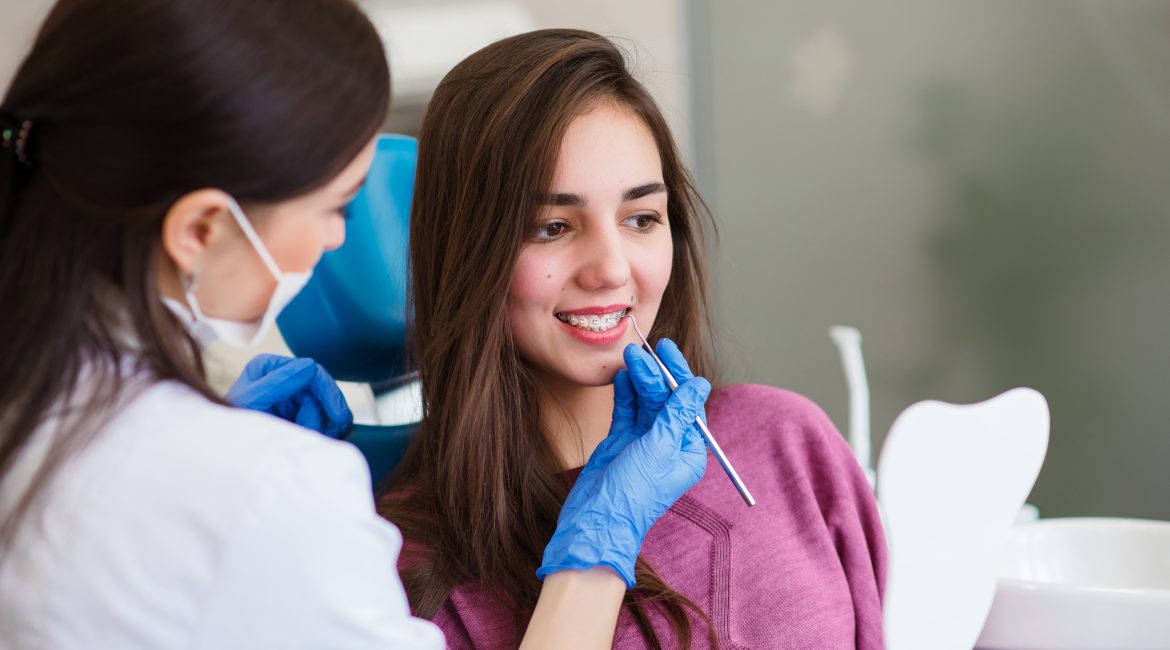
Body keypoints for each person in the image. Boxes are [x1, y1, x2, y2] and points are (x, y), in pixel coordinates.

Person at [0, 4, 712, 648]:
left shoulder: (40, 427)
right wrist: (595, 552)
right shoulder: (274, 489)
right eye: (335, 207)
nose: (342, 244)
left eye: (642, 217)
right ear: (203, 228)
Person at [379, 28, 888, 649]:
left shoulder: (789, 443)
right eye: (552, 227)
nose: (613, 269)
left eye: (641, 218)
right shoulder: (398, 568)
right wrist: (594, 553)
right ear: (467, 253)